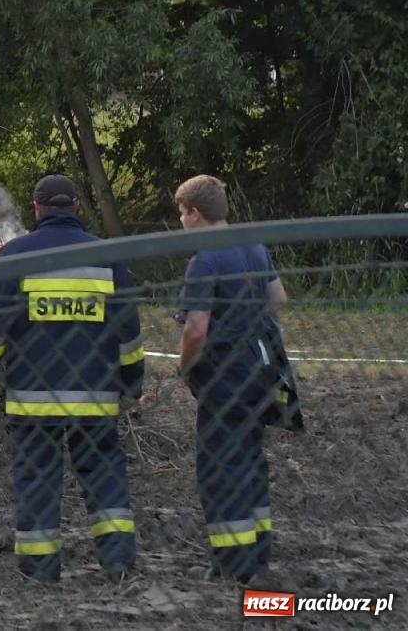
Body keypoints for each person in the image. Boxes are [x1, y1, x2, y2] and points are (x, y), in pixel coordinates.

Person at [0, 174, 145, 582]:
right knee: (104, 475)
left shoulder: (16, 256)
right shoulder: (109, 257)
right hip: (96, 396)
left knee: (37, 479)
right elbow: (128, 334)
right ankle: (118, 561)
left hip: (33, 398)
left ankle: (41, 570)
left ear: (38, 208)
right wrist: (132, 384)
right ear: (77, 209)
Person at [175, 174, 288, 583]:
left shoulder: (205, 258)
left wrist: (184, 368)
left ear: (196, 213)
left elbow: (196, 329)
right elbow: (278, 298)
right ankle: (258, 553)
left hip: (224, 374)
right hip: (261, 368)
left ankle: (231, 564)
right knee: (251, 461)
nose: (181, 223)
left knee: (221, 468)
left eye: (181, 214)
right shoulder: (253, 245)